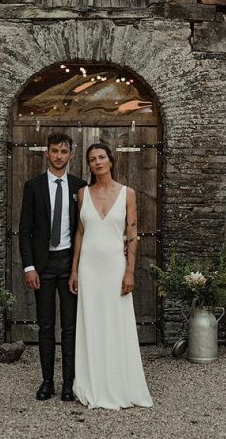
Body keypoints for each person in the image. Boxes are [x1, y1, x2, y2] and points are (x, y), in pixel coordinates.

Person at [68, 143, 153, 410]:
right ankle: (92, 383)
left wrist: (129, 270)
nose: (97, 162)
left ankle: (119, 384)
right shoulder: (82, 194)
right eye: (92, 159)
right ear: (89, 165)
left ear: (111, 161)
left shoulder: (127, 193)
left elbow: (132, 234)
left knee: (116, 323)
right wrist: (74, 270)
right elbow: (80, 233)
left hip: (115, 267)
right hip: (89, 268)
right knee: (91, 323)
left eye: (102, 157)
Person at [19, 132, 87, 401]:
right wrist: (28, 267)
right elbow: (25, 231)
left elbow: (88, 228)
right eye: (55, 151)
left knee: (70, 327)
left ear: (71, 154)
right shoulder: (33, 186)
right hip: (43, 265)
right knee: (46, 326)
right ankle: (47, 381)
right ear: (47, 153)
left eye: (64, 151)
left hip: (70, 265)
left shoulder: (80, 187)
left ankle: (68, 384)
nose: (59, 156)